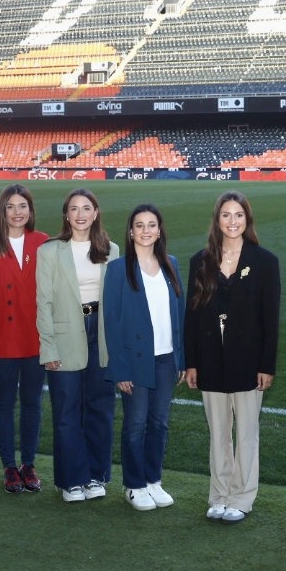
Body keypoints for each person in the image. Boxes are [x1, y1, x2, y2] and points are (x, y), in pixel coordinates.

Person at [184, 191, 280, 524]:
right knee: (219, 432)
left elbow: (270, 319)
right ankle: (219, 494)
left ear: (247, 219)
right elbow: (192, 315)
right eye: (226, 215)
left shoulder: (265, 261)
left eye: (238, 215)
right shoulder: (201, 260)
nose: (232, 221)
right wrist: (191, 361)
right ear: (217, 220)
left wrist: (266, 365)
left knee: (246, 433)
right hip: (210, 359)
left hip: (248, 361)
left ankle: (241, 497)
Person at [101, 204, 186, 511]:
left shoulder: (171, 264)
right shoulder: (118, 269)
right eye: (140, 225)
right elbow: (111, 322)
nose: (146, 230)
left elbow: (180, 315)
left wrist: (181, 359)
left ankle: (153, 480)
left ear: (159, 230)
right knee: (136, 424)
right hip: (135, 361)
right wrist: (120, 369)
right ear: (131, 231)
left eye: (152, 225)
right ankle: (134, 484)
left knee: (159, 423)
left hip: (166, 359)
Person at [36, 188, 119, 502]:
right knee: (68, 411)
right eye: (74, 209)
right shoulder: (51, 251)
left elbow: (115, 303)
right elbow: (42, 302)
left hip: (101, 332)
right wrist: (48, 348)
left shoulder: (111, 249)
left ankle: (96, 476)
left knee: (100, 408)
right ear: (66, 215)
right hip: (65, 333)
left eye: (87, 208)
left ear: (96, 212)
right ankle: (71, 480)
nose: (81, 214)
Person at [0, 184, 49, 494]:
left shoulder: (42, 242)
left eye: (23, 206)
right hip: (2, 339)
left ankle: (28, 464)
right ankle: (8, 466)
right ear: (2, 211)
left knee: (32, 403)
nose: (17, 212)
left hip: (36, 338)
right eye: (11, 206)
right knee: (4, 404)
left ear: (30, 211)